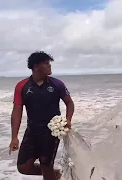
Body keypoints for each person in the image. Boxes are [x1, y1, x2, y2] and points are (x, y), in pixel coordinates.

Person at [8, 51, 75, 180]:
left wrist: (68, 119)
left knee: (46, 166)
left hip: (51, 132)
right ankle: (57, 174)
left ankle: (50, 174)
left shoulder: (57, 84)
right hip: (32, 130)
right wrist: (14, 137)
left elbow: (69, 103)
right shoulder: (22, 86)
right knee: (23, 167)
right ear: (36, 67)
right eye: (46, 63)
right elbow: (17, 111)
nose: (50, 66)